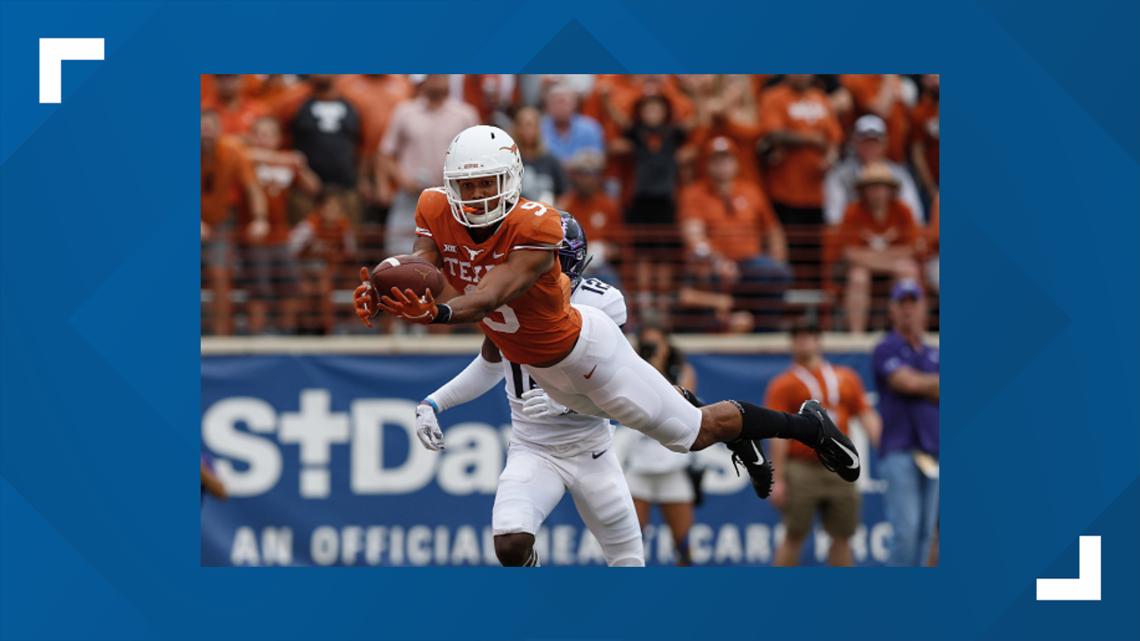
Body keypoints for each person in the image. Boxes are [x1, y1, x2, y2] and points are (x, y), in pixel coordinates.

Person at [352, 125, 861, 514]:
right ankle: (732, 428)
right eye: (468, 185)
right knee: (685, 422)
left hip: (587, 357)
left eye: (488, 183)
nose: (477, 197)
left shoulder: (566, 265)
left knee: (691, 431)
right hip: (556, 385)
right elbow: (430, 272)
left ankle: (807, 428)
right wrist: (383, 292)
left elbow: (488, 297)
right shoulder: (437, 209)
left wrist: (438, 312)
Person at [415, 214, 644, 567]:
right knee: (509, 543)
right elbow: (492, 362)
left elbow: (617, 381)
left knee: (628, 562)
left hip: (591, 448)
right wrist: (434, 402)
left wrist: (566, 403)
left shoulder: (601, 302)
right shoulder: (507, 293)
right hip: (533, 446)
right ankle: (540, 609)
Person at [765, 319, 882, 566]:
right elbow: (777, 435)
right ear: (792, 344)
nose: (804, 341)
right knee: (794, 534)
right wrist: (778, 479)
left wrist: (885, 447)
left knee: (842, 536)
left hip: (839, 467)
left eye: (809, 335)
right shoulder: (784, 384)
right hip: (802, 467)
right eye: (798, 336)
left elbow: (866, 414)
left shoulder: (845, 377)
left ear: (819, 341)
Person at [679, 136, 791, 330]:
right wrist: (717, 261)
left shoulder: (751, 191)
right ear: (707, 165)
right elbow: (694, 237)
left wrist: (778, 259)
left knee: (778, 273)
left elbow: (773, 230)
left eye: (727, 159)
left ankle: (765, 330)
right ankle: (715, 329)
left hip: (750, 262)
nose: (722, 165)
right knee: (703, 276)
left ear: (736, 163)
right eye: (716, 160)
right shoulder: (693, 194)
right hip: (711, 265)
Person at [873, 279, 939, 566]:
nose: (908, 311)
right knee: (906, 530)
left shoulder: (933, 353)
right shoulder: (885, 348)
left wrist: (926, 384)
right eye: (903, 305)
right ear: (892, 310)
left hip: (932, 450)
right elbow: (906, 383)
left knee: (926, 532)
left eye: (914, 304)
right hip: (900, 449)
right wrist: (932, 385)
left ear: (924, 308)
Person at [624, 322, 701, 565]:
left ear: (667, 346)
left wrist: (654, 368)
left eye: (657, 344)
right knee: (631, 540)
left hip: (672, 465)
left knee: (684, 542)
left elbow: (678, 405)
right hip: (639, 464)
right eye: (648, 345)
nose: (654, 349)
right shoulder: (630, 371)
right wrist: (644, 366)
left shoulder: (684, 372)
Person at [377, 74, 478, 257]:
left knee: (452, 253)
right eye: (431, 76)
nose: (436, 79)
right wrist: (403, 180)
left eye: (440, 75)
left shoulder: (465, 114)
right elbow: (386, 153)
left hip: (451, 197)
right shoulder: (405, 111)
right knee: (398, 251)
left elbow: (477, 155)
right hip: (410, 196)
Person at [244, 116, 321, 334]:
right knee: (258, 289)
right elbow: (245, 154)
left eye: (268, 134)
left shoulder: (287, 163)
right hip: (253, 236)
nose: (263, 139)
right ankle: (254, 338)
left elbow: (314, 188)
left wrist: (302, 166)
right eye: (258, 134)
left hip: (281, 235)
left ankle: (285, 335)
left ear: (278, 138)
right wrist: (283, 158)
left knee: (290, 286)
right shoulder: (245, 158)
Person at [756, 74, 842, 264]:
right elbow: (773, 133)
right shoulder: (774, 96)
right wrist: (809, 139)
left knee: (813, 257)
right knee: (790, 255)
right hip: (784, 191)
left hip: (817, 192)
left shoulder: (820, 98)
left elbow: (834, 137)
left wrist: (831, 157)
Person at [201, 109, 268, 336]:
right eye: (201, 129)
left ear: (220, 130)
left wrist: (260, 219)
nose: (205, 134)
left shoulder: (233, 152)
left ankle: (221, 335)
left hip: (219, 221)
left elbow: (253, 189)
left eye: (210, 129)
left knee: (220, 274)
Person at [837, 162, 921, 333]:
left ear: (890, 190)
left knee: (908, 271)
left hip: (888, 268)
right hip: (863, 270)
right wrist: (890, 261)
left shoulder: (903, 210)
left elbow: (912, 248)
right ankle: (856, 336)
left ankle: (909, 333)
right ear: (863, 191)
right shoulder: (852, 212)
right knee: (858, 277)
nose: (877, 192)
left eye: (881, 186)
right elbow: (850, 254)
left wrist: (870, 257)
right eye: (871, 187)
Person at [824, 114, 923, 226]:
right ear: (855, 143)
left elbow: (915, 216)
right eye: (865, 142)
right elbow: (834, 218)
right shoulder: (839, 176)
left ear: (885, 144)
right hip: (854, 236)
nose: (870, 147)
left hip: (892, 237)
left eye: (875, 142)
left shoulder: (899, 175)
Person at [290, 188, 356, 334]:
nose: (334, 211)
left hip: (331, 272)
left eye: (338, 207)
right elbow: (291, 252)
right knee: (308, 290)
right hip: (304, 269)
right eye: (330, 206)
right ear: (320, 208)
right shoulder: (309, 226)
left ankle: (326, 329)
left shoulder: (343, 227)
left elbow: (349, 254)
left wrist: (333, 268)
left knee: (325, 286)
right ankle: (303, 329)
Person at [557, 150, 623, 288]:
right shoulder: (564, 206)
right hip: (572, 268)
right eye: (582, 174)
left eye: (592, 174)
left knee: (614, 285)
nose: (587, 179)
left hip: (602, 268)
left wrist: (606, 251)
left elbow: (620, 245)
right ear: (574, 176)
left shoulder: (608, 205)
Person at [540, 83, 605, 165]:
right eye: (555, 102)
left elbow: (597, 160)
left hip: (583, 176)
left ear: (574, 104)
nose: (560, 106)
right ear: (547, 105)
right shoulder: (539, 128)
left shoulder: (590, 128)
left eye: (563, 101)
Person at [512, 106, 566, 204]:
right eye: (522, 125)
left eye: (530, 125)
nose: (526, 130)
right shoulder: (511, 161)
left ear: (538, 128)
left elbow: (563, 193)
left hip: (547, 214)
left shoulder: (551, 161)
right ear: (516, 128)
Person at [909, 74, 940, 201]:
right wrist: (931, 189)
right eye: (930, 77)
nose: (935, 80)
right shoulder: (920, 112)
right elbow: (918, 154)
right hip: (934, 182)